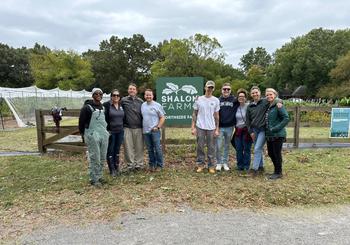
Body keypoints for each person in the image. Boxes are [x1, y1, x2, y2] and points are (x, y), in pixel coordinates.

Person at [246, 86, 282, 176]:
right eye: (253, 93)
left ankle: (254, 169)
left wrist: (280, 102)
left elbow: (275, 99)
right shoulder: (249, 106)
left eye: (256, 92)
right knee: (259, 149)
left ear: (259, 93)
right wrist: (251, 132)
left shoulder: (265, 101)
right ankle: (261, 167)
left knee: (257, 148)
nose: (255, 94)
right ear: (251, 94)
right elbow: (248, 121)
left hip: (263, 129)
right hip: (254, 130)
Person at [79, 88, 109, 187]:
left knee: (102, 156)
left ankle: (99, 176)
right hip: (92, 134)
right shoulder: (87, 108)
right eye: (96, 94)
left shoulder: (103, 107)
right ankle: (94, 179)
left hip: (103, 134)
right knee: (95, 157)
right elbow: (81, 123)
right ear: (92, 95)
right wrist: (83, 135)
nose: (98, 95)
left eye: (100, 93)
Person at [191, 80, 220, 174]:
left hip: (211, 127)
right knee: (200, 147)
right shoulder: (198, 99)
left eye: (211, 87)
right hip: (200, 126)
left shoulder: (216, 100)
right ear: (205, 87)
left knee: (211, 147)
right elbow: (194, 113)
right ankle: (200, 165)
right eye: (208, 87)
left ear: (213, 89)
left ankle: (211, 166)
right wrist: (193, 127)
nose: (209, 89)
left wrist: (217, 128)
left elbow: (216, 116)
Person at [265, 88, 289, 179]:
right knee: (271, 153)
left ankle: (279, 172)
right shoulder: (269, 105)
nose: (269, 96)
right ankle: (276, 171)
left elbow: (286, 118)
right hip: (269, 134)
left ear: (275, 95)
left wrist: (276, 128)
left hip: (278, 134)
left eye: (271, 94)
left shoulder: (278, 105)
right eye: (267, 95)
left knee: (276, 153)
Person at [120, 83, 144, 171]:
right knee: (128, 147)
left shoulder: (140, 101)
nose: (132, 90)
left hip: (139, 127)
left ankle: (139, 164)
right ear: (128, 90)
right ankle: (130, 164)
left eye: (133, 89)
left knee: (139, 147)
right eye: (130, 89)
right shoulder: (123, 100)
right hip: (127, 127)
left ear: (136, 91)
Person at [141, 89, 166, 171]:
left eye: (150, 95)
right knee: (150, 149)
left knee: (157, 148)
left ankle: (160, 165)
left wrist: (158, 127)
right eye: (147, 95)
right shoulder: (143, 105)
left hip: (154, 131)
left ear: (152, 96)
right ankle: (152, 164)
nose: (148, 96)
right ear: (144, 96)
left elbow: (162, 117)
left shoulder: (157, 105)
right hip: (146, 131)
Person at [216, 83, 239, 171]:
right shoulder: (217, 100)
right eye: (224, 89)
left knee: (226, 146)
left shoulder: (234, 100)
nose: (226, 91)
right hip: (220, 127)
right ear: (221, 90)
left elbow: (244, 99)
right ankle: (218, 163)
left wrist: (278, 101)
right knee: (218, 146)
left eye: (228, 89)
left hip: (230, 127)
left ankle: (224, 163)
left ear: (230, 90)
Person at [103, 89, 124, 177]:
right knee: (110, 150)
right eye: (114, 95)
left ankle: (116, 167)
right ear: (111, 96)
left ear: (119, 97)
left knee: (117, 149)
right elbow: (103, 118)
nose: (116, 97)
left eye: (117, 95)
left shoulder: (121, 105)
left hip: (120, 131)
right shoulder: (107, 105)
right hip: (111, 131)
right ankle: (112, 170)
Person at [232, 89, 252, 172]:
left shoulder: (249, 106)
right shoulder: (235, 106)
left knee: (246, 149)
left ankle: (246, 166)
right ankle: (240, 166)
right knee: (239, 149)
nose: (241, 98)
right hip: (238, 131)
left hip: (246, 131)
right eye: (239, 96)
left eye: (243, 96)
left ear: (245, 98)